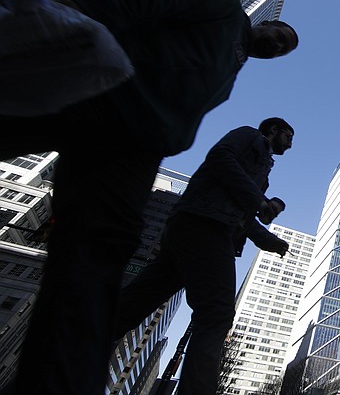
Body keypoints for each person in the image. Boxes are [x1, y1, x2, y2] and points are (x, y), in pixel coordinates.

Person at [0, 0, 298, 395]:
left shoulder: (232, 69)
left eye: (283, 48)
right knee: (214, 312)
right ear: (265, 23)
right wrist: (67, 10)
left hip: (140, 149)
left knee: (111, 283)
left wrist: (264, 238)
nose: (278, 45)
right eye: (279, 35)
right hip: (107, 98)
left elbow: (233, 208)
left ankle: (51, 379)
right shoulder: (227, 13)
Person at [111, 118, 295, 395]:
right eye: (288, 136)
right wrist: (258, 201)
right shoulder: (249, 136)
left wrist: (269, 239)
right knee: (216, 314)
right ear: (273, 130)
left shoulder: (263, 170)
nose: (290, 145)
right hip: (206, 227)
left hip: (194, 228)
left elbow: (241, 216)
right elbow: (220, 157)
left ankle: (75, 347)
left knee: (133, 304)